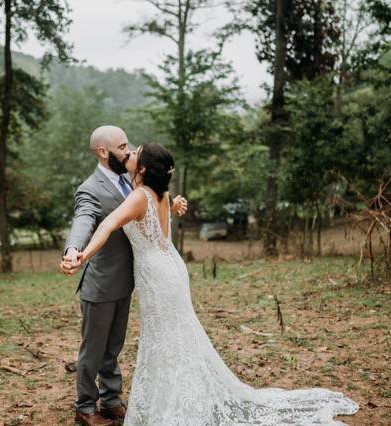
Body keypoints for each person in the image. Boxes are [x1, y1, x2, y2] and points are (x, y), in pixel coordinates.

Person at [74, 142, 360, 425]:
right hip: (169, 269)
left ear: (145, 168)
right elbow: (148, 215)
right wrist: (173, 205)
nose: (130, 152)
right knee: (173, 338)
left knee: (165, 340)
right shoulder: (160, 194)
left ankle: (173, 402)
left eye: (135, 152)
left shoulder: (139, 197)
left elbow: (108, 224)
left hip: (157, 274)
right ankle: (176, 395)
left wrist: (83, 254)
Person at [60, 126, 187, 426]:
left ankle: (111, 399)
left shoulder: (133, 180)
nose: (128, 151)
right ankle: (85, 407)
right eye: (122, 146)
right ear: (103, 152)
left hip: (132, 280)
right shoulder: (90, 188)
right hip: (101, 283)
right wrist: (73, 250)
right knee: (93, 349)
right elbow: (85, 220)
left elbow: (151, 204)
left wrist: (173, 203)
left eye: (129, 145)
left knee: (113, 346)